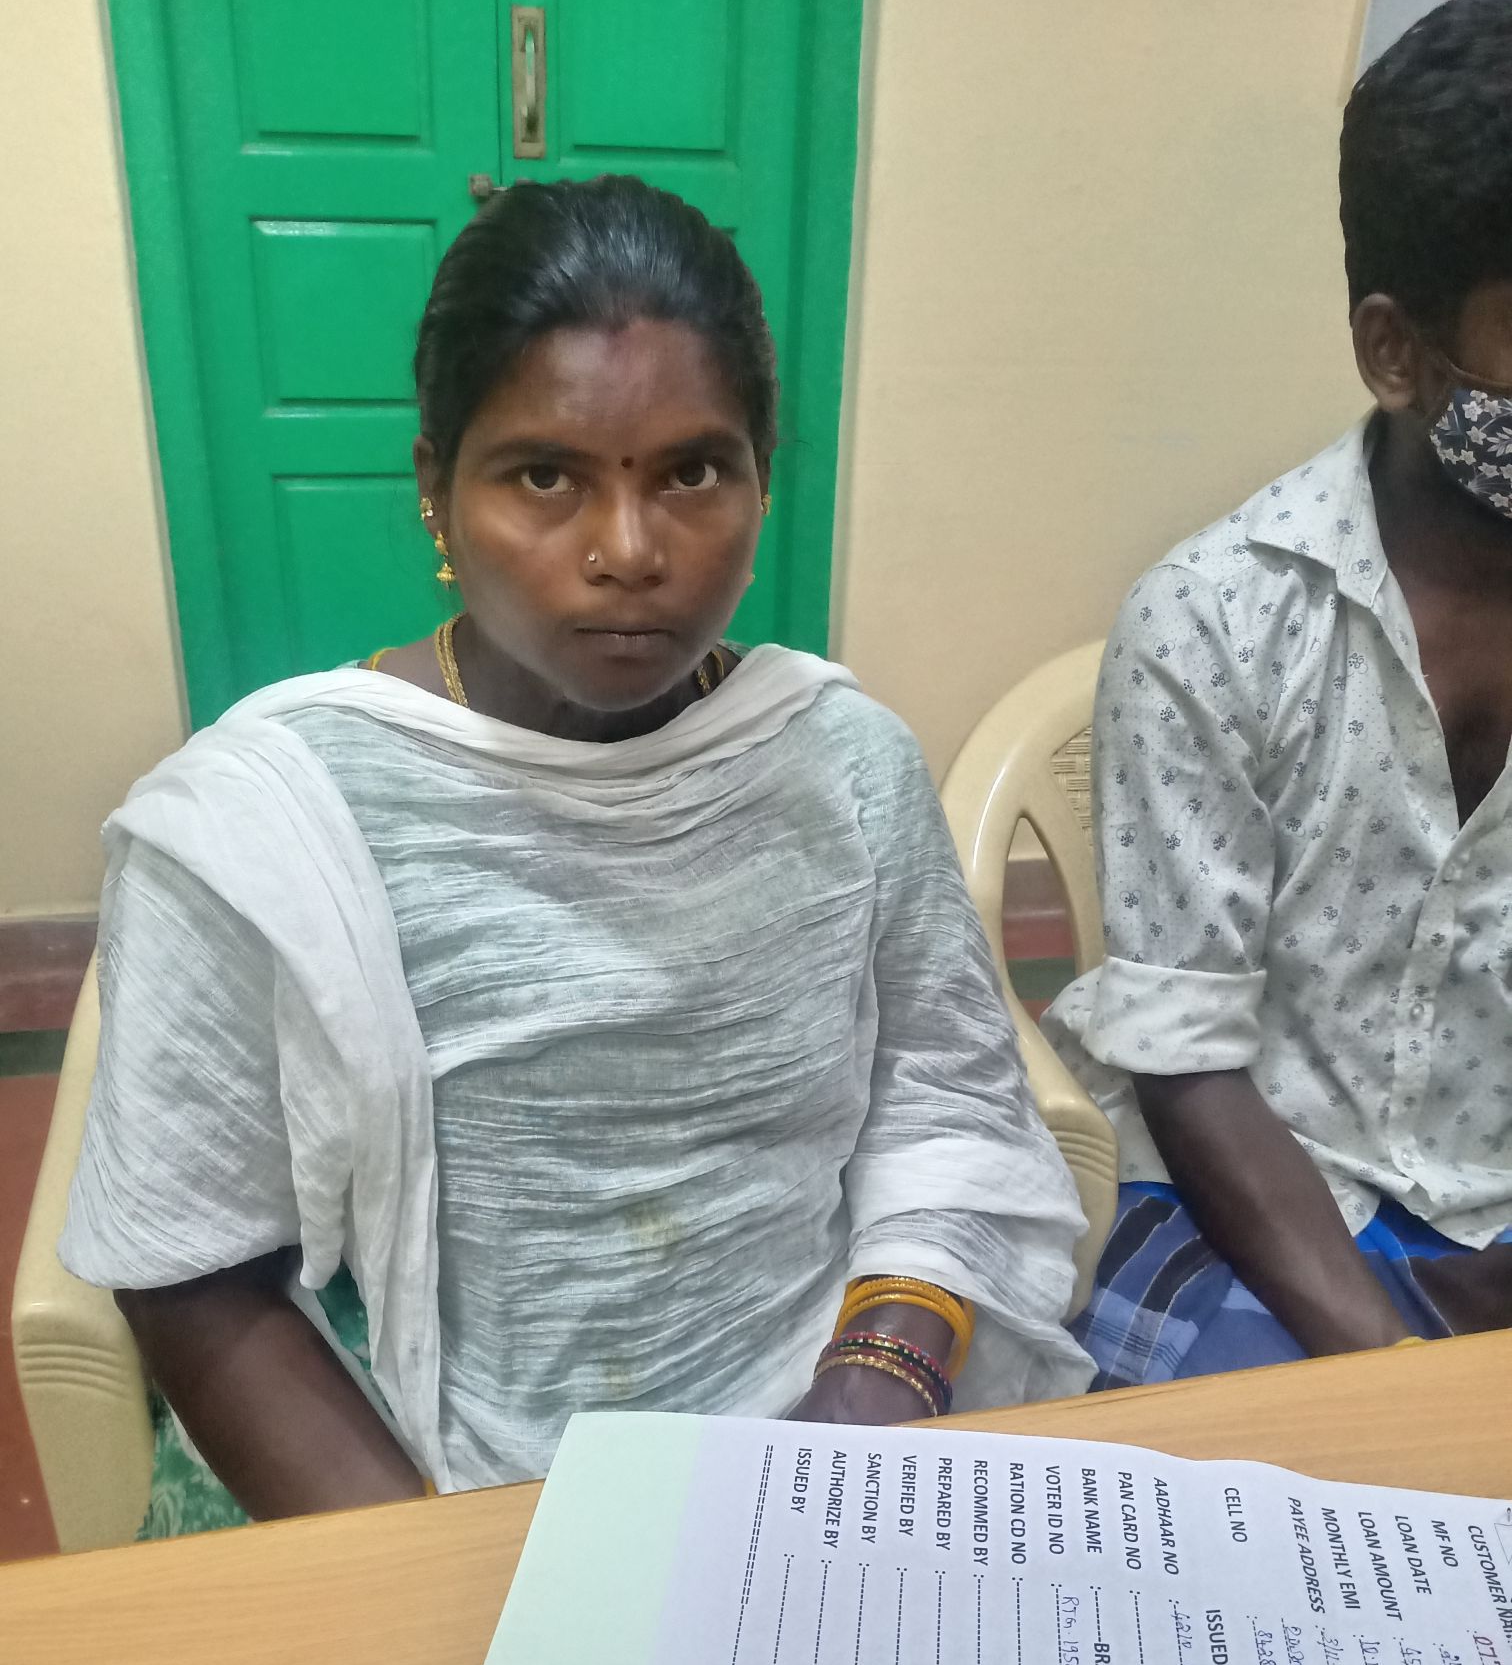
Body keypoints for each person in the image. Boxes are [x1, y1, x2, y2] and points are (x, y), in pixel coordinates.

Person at [61, 174, 1090, 1533]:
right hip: (437, 1473)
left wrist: (874, 1384)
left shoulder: (842, 761)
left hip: (819, 1434)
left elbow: (945, 1100)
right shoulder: (267, 820)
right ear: (436, 490)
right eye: (545, 476)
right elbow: (194, 1271)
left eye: (693, 472)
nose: (628, 550)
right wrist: (453, 1578)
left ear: (762, 479)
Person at [1044, 0, 1512, 1388]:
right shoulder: (1217, 622)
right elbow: (1187, 1057)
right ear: (1395, 350)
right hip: (1257, 1196)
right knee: (1266, 1492)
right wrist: (1394, 1374)